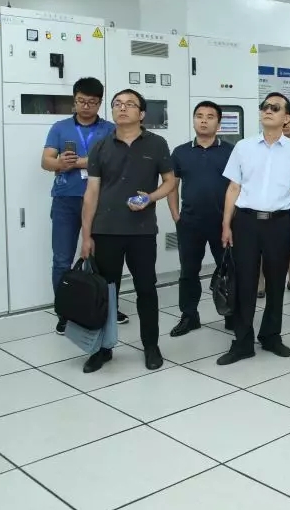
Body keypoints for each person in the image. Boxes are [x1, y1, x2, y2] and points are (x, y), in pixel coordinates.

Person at [80, 89, 176, 373]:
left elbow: (170, 182)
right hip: (106, 230)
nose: (122, 108)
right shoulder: (100, 146)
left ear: (141, 113)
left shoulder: (157, 144)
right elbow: (91, 193)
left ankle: (151, 346)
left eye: (129, 104)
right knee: (107, 292)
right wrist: (86, 236)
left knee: (146, 289)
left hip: (141, 230)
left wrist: (150, 198)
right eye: (117, 104)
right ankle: (103, 348)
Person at [217, 93, 290, 366]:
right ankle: (242, 342)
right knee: (245, 282)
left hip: (280, 223)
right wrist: (226, 224)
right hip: (246, 222)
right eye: (265, 107)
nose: (268, 110)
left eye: (275, 107)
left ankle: (271, 336)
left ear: (287, 118)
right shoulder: (243, 147)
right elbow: (233, 187)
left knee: (275, 282)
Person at [42, 78, 118, 334]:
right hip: (66, 200)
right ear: (74, 101)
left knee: (104, 260)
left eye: (92, 102)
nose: (86, 106)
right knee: (62, 259)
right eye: (81, 101)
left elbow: (111, 162)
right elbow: (46, 161)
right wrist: (59, 163)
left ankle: (105, 308)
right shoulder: (60, 127)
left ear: (100, 103)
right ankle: (64, 312)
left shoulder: (110, 129)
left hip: (102, 202)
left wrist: (77, 162)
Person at [166, 101, 233, 337]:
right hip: (190, 223)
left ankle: (231, 314)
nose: (204, 120)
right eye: (199, 116)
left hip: (223, 223)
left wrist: (231, 221)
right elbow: (172, 185)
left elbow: (238, 187)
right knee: (188, 272)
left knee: (229, 270)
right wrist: (176, 215)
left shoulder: (230, 151)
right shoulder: (180, 152)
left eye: (210, 116)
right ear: (194, 120)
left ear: (219, 123)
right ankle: (189, 316)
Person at [258, 113, 290, 299]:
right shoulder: (264, 146)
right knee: (263, 246)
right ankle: (261, 283)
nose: (286, 124)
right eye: (284, 120)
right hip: (272, 204)